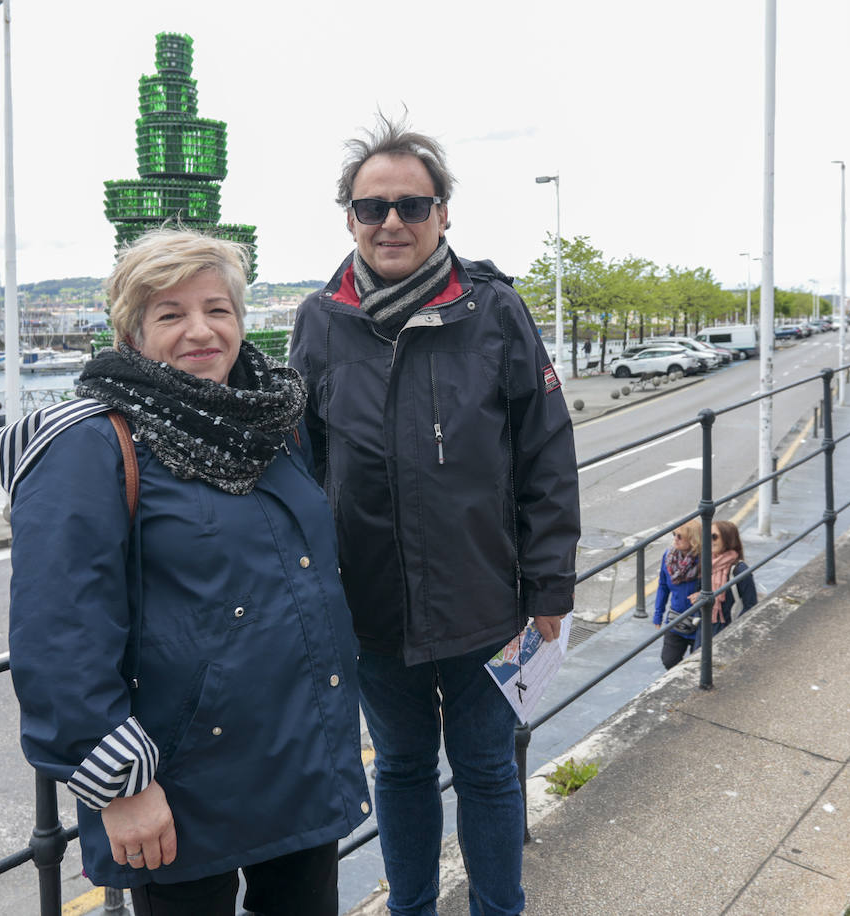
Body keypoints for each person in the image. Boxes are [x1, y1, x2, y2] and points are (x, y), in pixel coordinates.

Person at [0, 228, 369, 916]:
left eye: (217, 309)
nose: (201, 330)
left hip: (298, 754)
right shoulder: (91, 443)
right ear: (133, 333)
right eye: (171, 314)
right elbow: (58, 636)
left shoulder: (271, 422)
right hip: (176, 782)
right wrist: (120, 786)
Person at [289, 114, 581, 916]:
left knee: (488, 769)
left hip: (485, 599)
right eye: (372, 206)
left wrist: (550, 585)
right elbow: (302, 464)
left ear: (444, 214)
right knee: (402, 769)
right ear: (348, 216)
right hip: (373, 607)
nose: (392, 222)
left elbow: (546, 455)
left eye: (412, 206)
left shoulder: (494, 312)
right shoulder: (319, 323)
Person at [655, 520, 759, 669]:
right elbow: (667, 586)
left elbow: (750, 605)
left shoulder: (739, 570)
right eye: (707, 536)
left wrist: (734, 632)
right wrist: (700, 598)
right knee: (693, 667)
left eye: (714, 537)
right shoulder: (706, 563)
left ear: (728, 539)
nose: (708, 540)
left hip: (726, 627)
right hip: (705, 626)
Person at [652, 521, 703, 670]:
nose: (675, 539)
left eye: (680, 536)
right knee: (669, 660)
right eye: (674, 535)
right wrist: (658, 613)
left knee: (697, 665)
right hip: (676, 618)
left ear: (693, 540)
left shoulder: (704, 560)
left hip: (700, 620)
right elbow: (662, 585)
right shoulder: (668, 557)